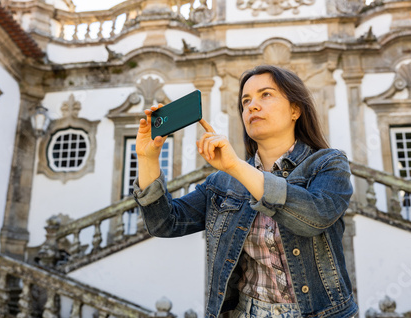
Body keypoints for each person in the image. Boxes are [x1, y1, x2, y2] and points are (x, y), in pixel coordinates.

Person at [133, 65, 358, 318]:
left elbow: (315, 218)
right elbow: (165, 223)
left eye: (266, 95)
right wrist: (147, 158)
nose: (252, 106)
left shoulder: (328, 164)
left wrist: (236, 166)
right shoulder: (222, 182)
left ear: (295, 110)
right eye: (245, 101)